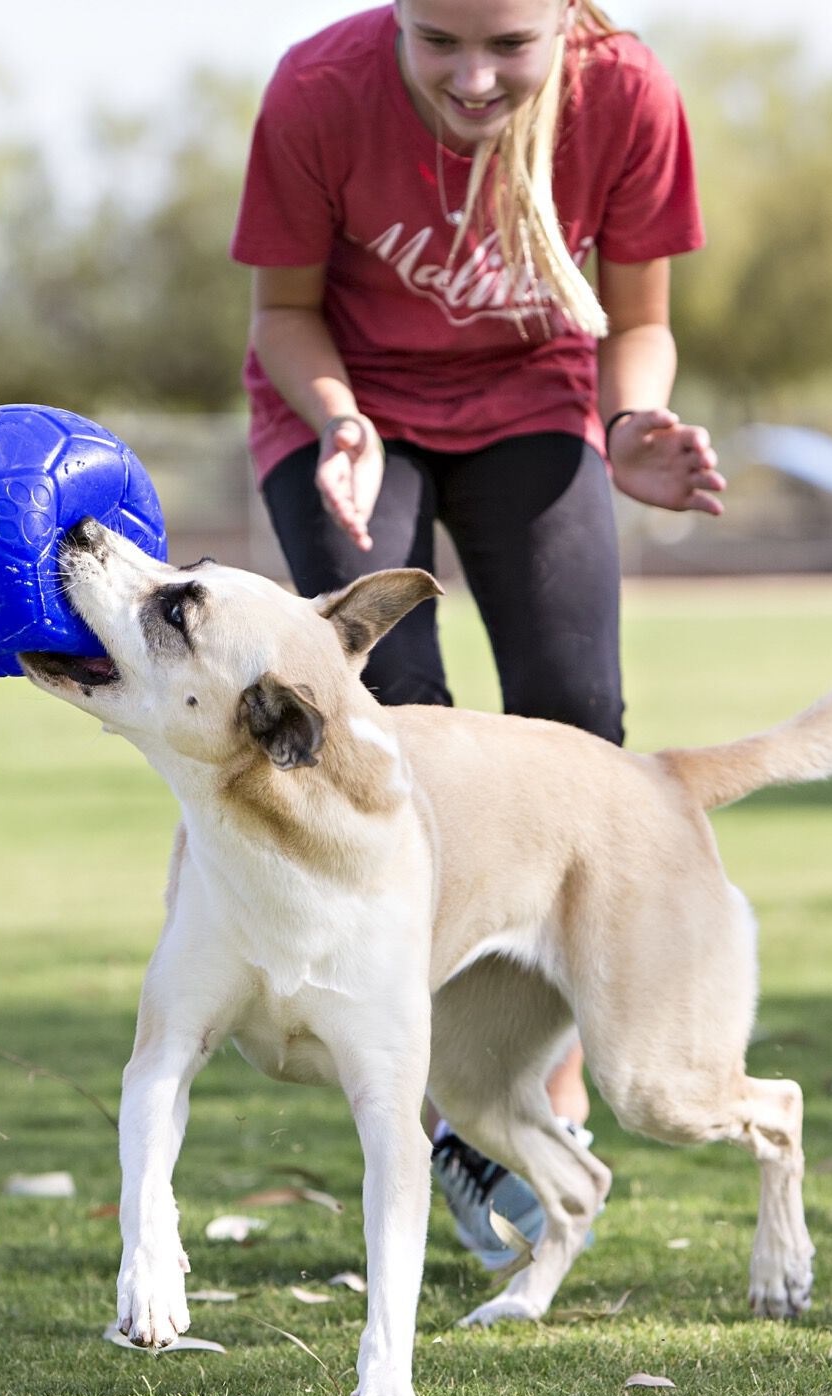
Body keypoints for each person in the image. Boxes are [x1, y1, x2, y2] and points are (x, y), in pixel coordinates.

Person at [230, 0, 726, 1266]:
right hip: (350, 416)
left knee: (578, 734)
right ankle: (447, 1107)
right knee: (387, 721)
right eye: (439, 39)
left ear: (566, 20)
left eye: (508, 45)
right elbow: (283, 313)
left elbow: (642, 319)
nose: (473, 76)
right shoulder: (320, 90)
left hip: (532, 403)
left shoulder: (626, 96)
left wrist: (634, 430)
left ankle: (530, 1086)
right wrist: (341, 421)